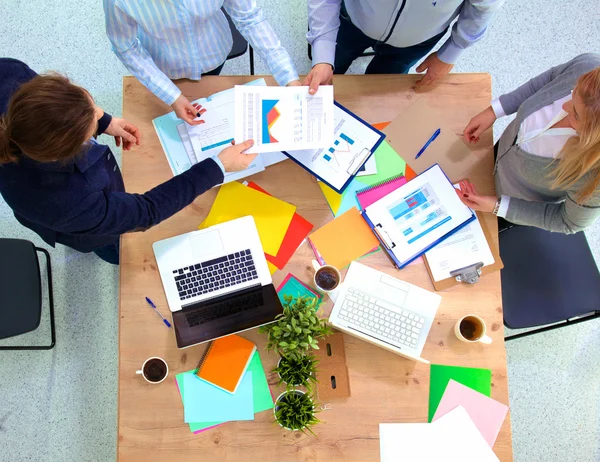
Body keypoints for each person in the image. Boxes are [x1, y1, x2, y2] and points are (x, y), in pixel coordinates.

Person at [0, 58, 257, 265]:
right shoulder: (69, 202)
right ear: (65, 153)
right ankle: (114, 255)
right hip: (84, 226)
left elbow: (57, 111)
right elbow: (146, 211)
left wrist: (104, 122)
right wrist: (218, 166)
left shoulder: (8, 74)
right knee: (113, 245)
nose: (98, 113)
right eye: (90, 130)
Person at [459, 53, 600, 234]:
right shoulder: (588, 65)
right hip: (496, 159)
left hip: (510, 205)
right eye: (573, 92)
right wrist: (495, 110)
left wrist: (498, 207)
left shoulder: (594, 179)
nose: (565, 106)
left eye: (576, 114)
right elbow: (548, 80)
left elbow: (567, 222)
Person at [103, 0, 300, 125]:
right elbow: (125, 46)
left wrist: (288, 76)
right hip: (163, 67)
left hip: (214, 50)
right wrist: (170, 95)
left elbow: (250, 19)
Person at [305, 0, 504, 94]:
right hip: (352, 19)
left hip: (415, 41)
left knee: (379, 89)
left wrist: (451, 52)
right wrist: (322, 52)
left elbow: (483, 7)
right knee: (330, 68)